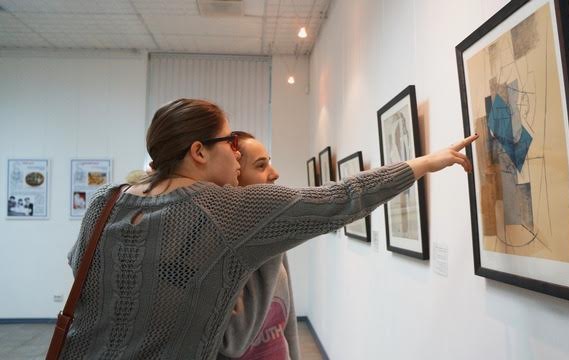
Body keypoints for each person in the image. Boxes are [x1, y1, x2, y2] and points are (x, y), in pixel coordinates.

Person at [63, 98, 477, 359]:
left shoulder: (107, 201)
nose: (237, 153)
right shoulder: (225, 208)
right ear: (198, 151)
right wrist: (423, 163)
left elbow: (81, 267)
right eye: (231, 143)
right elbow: (341, 198)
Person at [218, 131, 300, 360]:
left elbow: (288, 319)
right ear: (234, 175)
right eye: (261, 165)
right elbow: (233, 343)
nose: (275, 174)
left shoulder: (274, 239)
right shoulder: (217, 251)